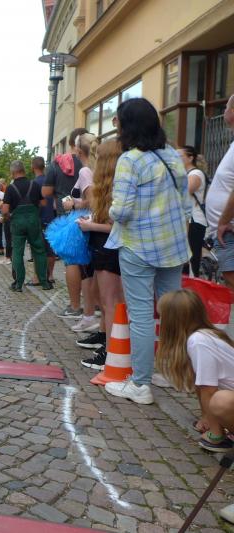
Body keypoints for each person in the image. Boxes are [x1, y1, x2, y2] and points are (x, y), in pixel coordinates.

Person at [104, 98, 190, 405]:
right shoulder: (171, 155)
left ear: (127, 126)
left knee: (140, 315)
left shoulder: (131, 160)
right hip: (173, 244)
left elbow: (122, 211)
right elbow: (185, 200)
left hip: (139, 245)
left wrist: (110, 211)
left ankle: (140, 384)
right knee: (172, 313)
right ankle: (170, 373)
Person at [155, 289, 234, 452]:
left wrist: (215, 432)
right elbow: (201, 384)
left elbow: (208, 390)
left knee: (221, 401)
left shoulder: (199, 341)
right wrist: (206, 417)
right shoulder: (206, 335)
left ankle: (219, 435)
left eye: (162, 317)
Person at [76, 140, 125, 369]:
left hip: (109, 247)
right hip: (103, 246)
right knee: (105, 300)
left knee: (110, 302)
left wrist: (90, 225)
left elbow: (116, 227)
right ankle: (106, 340)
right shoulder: (108, 186)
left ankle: (112, 352)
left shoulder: (117, 186)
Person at [42, 127, 89, 318]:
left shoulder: (58, 163)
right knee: (90, 264)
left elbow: (45, 192)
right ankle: (93, 307)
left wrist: (59, 193)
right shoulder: (93, 161)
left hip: (68, 215)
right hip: (93, 216)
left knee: (72, 262)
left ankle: (75, 306)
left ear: (71, 143)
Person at [66, 133, 101, 334]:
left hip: (88, 226)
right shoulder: (96, 169)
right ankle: (90, 315)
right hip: (92, 225)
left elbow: (93, 202)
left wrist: (73, 204)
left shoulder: (85, 171)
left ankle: (89, 316)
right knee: (90, 273)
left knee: (87, 274)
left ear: (79, 150)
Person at [3, 160, 52, 292]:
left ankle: (18, 284)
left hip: (18, 223)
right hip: (33, 222)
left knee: (17, 252)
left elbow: (5, 210)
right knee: (39, 251)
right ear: (24, 170)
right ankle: (44, 282)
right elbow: (43, 203)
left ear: (13, 172)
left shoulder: (10, 188)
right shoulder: (34, 184)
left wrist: (9, 216)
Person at [206, 96, 234, 288]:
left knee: (231, 278)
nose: (223, 111)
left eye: (225, 107)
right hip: (226, 229)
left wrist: (223, 221)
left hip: (228, 229)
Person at [179, 146, 209, 277]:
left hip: (194, 220)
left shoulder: (195, 174)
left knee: (191, 258)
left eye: (180, 156)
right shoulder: (184, 174)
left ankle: (192, 285)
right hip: (188, 221)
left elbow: (183, 193)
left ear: (190, 158)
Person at [31, 157, 56, 285]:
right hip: (52, 218)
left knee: (37, 249)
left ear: (33, 167)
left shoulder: (33, 184)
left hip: (38, 219)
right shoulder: (51, 182)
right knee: (50, 249)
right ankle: (50, 275)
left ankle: (37, 277)